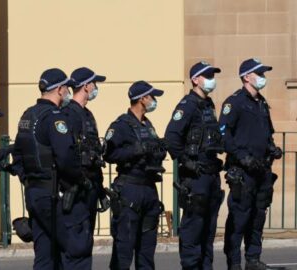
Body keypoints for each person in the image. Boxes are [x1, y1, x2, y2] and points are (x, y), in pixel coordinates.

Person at [12, 68, 93, 270]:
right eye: (66, 87)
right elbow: (66, 157)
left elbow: (17, 154)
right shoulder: (54, 118)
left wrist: (28, 179)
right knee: (76, 250)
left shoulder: (28, 115)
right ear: (59, 89)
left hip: (34, 193)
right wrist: (80, 179)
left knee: (45, 254)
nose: (67, 91)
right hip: (53, 194)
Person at [220, 58, 283, 270]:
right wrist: (240, 157)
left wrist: (272, 148)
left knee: (258, 217)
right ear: (247, 76)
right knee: (239, 218)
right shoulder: (234, 102)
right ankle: (234, 262)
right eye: (259, 73)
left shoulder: (262, 103)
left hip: (262, 171)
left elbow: (267, 133)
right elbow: (224, 135)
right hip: (243, 172)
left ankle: (253, 259)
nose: (263, 77)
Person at [164, 61, 225, 270]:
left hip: (210, 175)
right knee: (193, 229)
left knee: (208, 230)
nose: (211, 80)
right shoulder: (187, 105)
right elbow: (171, 138)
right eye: (207, 75)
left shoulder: (209, 105)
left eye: (212, 75)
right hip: (195, 177)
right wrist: (186, 161)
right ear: (195, 80)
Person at [103, 80, 166, 270]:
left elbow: (153, 149)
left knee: (147, 249)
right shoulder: (121, 125)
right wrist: (135, 150)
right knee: (124, 247)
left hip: (148, 188)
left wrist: (159, 149)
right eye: (152, 97)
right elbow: (108, 154)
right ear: (142, 99)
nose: (154, 101)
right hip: (130, 188)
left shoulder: (147, 124)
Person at [63, 67, 110, 233]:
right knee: (77, 239)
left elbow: (94, 154)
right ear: (86, 86)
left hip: (91, 185)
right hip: (77, 187)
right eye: (94, 84)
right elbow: (66, 153)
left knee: (86, 237)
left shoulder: (88, 114)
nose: (95, 88)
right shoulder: (68, 113)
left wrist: (101, 190)